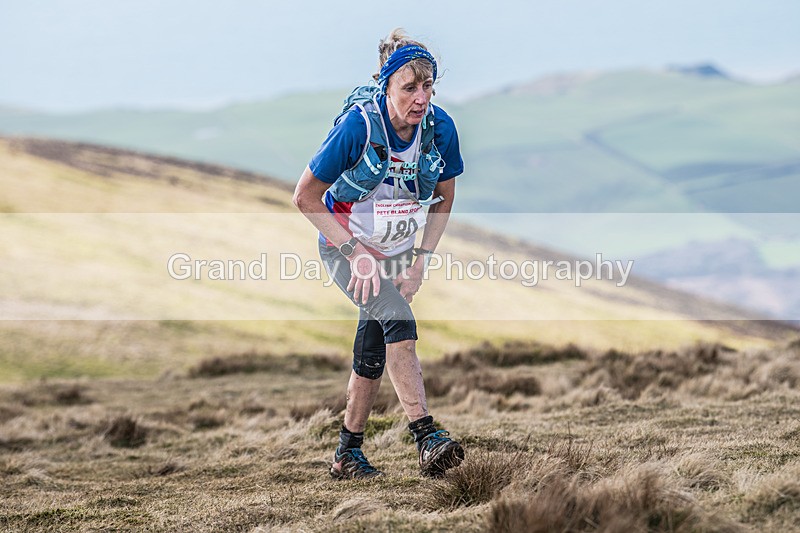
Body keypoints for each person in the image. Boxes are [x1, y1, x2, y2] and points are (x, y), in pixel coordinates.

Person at [293, 29, 465, 479]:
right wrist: (354, 252)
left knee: (374, 347)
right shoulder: (359, 127)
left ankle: (346, 454)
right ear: (386, 86)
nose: (421, 98)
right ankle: (426, 436)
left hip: (396, 254)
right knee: (398, 321)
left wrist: (421, 259)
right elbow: (306, 197)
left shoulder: (439, 129)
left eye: (428, 86)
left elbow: (444, 198)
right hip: (344, 247)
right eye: (409, 88)